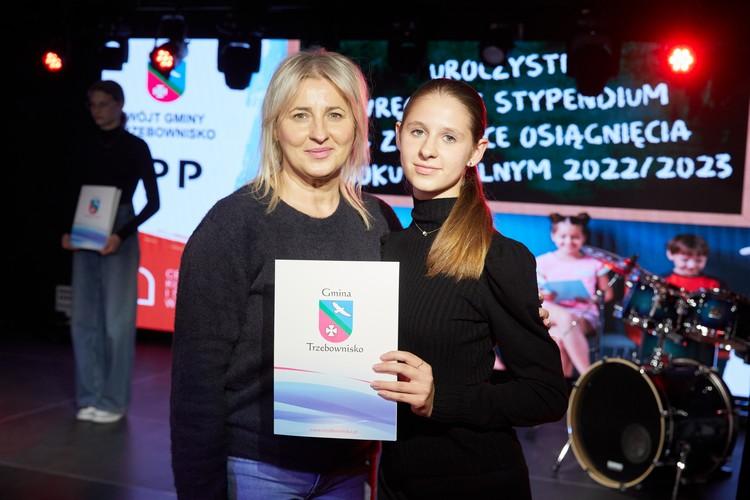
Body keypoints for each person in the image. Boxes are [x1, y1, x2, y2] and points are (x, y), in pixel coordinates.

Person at [170, 50, 401, 500]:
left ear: (357, 125)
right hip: (257, 471)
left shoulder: (379, 222)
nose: (319, 133)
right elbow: (197, 381)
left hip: (349, 471)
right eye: (300, 115)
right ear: (276, 126)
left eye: (335, 114)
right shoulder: (234, 224)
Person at [371, 78, 568, 499]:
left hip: (475, 482)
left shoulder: (499, 257)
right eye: (418, 131)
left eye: (449, 137)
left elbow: (548, 395)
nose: (428, 150)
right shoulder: (386, 247)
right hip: (394, 482)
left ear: (476, 151)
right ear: (398, 135)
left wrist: (440, 399)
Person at [61, 80, 160, 423]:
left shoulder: (135, 146)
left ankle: (114, 402)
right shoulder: (84, 144)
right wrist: (67, 230)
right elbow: (69, 190)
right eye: (93, 105)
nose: (97, 111)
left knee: (116, 321)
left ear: (119, 104)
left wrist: (121, 234)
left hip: (120, 226)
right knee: (83, 319)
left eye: (103, 104)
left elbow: (153, 202)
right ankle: (89, 396)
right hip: (85, 225)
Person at [536, 213, 613, 377]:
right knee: (562, 323)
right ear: (553, 236)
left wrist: (591, 298)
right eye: (563, 236)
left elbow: (607, 294)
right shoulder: (542, 262)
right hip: (552, 313)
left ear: (584, 237)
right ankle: (586, 378)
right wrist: (546, 295)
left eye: (575, 237)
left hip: (584, 315)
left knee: (560, 336)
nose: (569, 241)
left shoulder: (594, 263)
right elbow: (534, 295)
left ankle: (576, 381)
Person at [639, 233, 724, 368]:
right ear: (670, 254)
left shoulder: (713, 285)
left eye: (698, 261)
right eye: (685, 260)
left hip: (701, 347)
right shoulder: (663, 283)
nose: (691, 265)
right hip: (664, 343)